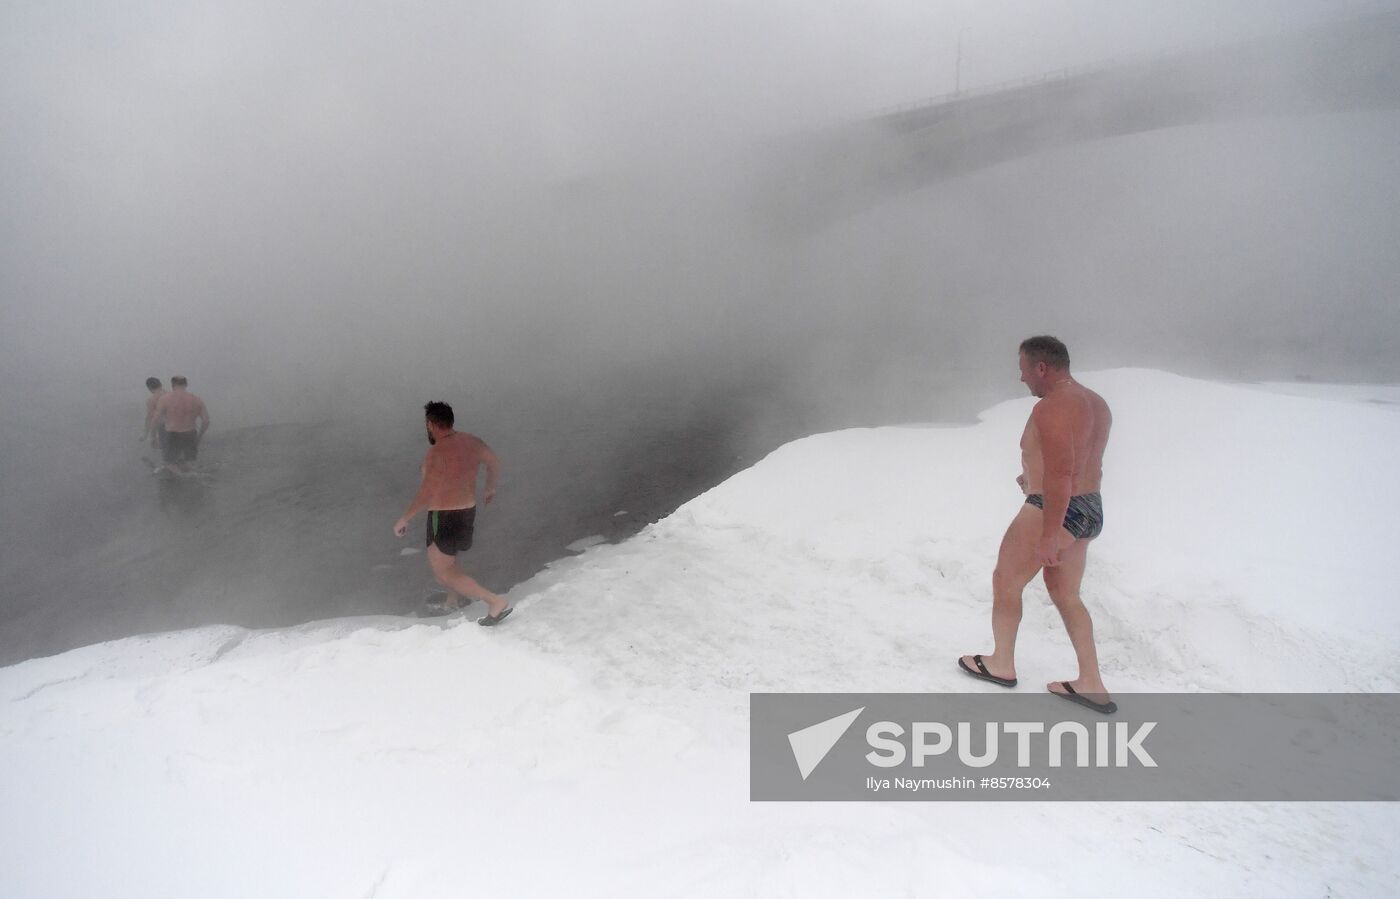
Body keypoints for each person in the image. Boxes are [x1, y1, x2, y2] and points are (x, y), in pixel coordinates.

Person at [958, 336, 1116, 713]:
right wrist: (1032, 476)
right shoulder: (1096, 402)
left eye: (1024, 369)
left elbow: (1062, 472)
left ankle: (1001, 664)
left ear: (1042, 368)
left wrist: (1050, 532)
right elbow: (1080, 463)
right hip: (1088, 506)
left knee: (1006, 580)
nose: (1022, 377)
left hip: (1053, 508)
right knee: (1066, 594)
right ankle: (1091, 683)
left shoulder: (1053, 407)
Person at [394, 401, 512, 625]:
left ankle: (494, 601)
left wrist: (404, 518)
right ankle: (453, 599)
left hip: (443, 515)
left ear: (430, 424)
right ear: (450, 421)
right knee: (450, 558)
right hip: (467, 510)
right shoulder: (472, 442)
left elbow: (427, 492)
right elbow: (494, 462)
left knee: (443, 573)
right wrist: (490, 486)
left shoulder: (435, 453)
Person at [151, 376, 210, 471]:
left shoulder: (165, 399)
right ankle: (191, 479)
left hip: (172, 434)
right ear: (186, 385)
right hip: (190, 434)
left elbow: (155, 420)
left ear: (172, 385)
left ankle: (182, 479)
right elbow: (206, 421)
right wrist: (198, 437)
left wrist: (153, 437)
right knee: (186, 463)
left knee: (170, 464)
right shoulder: (196, 400)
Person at [140, 377, 168, 457]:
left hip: (165, 428)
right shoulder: (170, 394)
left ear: (149, 388)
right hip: (180, 425)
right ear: (160, 384)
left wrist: (147, 435)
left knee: (166, 453)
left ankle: (169, 465)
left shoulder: (152, 400)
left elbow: (150, 418)